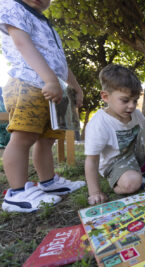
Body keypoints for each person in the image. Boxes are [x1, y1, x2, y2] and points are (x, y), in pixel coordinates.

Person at [0, 0, 85, 213]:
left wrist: (75, 88)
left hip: (51, 86)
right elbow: (22, 44)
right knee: (23, 136)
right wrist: (50, 80)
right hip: (28, 83)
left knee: (47, 139)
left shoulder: (46, 24)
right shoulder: (12, 6)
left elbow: (60, 62)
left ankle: (48, 182)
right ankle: (17, 193)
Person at [84, 64, 145, 206]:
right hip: (115, 163)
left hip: (134, 157)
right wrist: (94, 192)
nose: (131, 106)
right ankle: (118, 182)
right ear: (105, 96)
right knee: (133, 182)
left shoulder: (135, 114)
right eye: (125, 100)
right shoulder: (99, 124)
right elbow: (91, 160)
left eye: (135, 100)